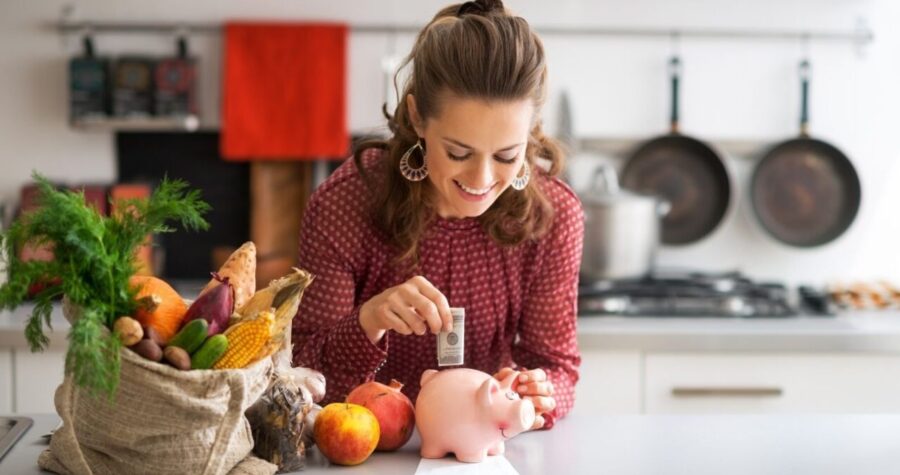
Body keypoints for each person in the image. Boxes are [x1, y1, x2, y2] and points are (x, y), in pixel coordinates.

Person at [292, 0, 583, 430]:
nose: (482, 178)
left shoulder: (554, 216)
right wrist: (368, 321)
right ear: (418, 118)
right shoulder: (345, 205)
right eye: (458, 152)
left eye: (507, 155)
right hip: (364, 452)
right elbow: (300, 376)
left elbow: (558, 369)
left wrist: (534, 395)